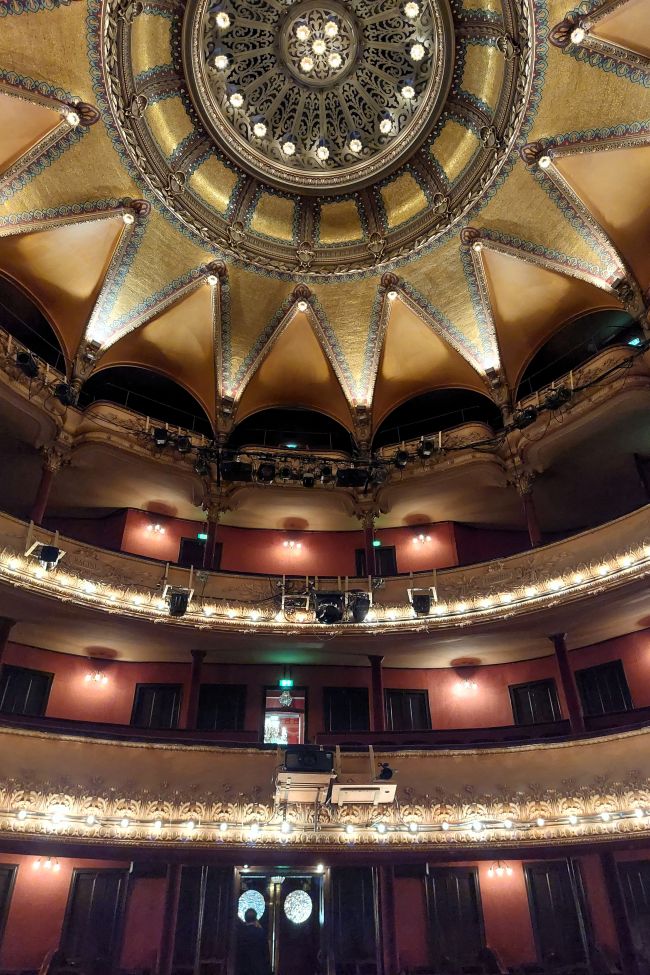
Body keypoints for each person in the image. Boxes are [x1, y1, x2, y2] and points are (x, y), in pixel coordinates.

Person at [237, 908, 272, 975]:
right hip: (259, 969)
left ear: (245, 918)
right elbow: (266, 953)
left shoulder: (240, 934)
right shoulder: (261, 933)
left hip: (244, 969)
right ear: (255, 918)